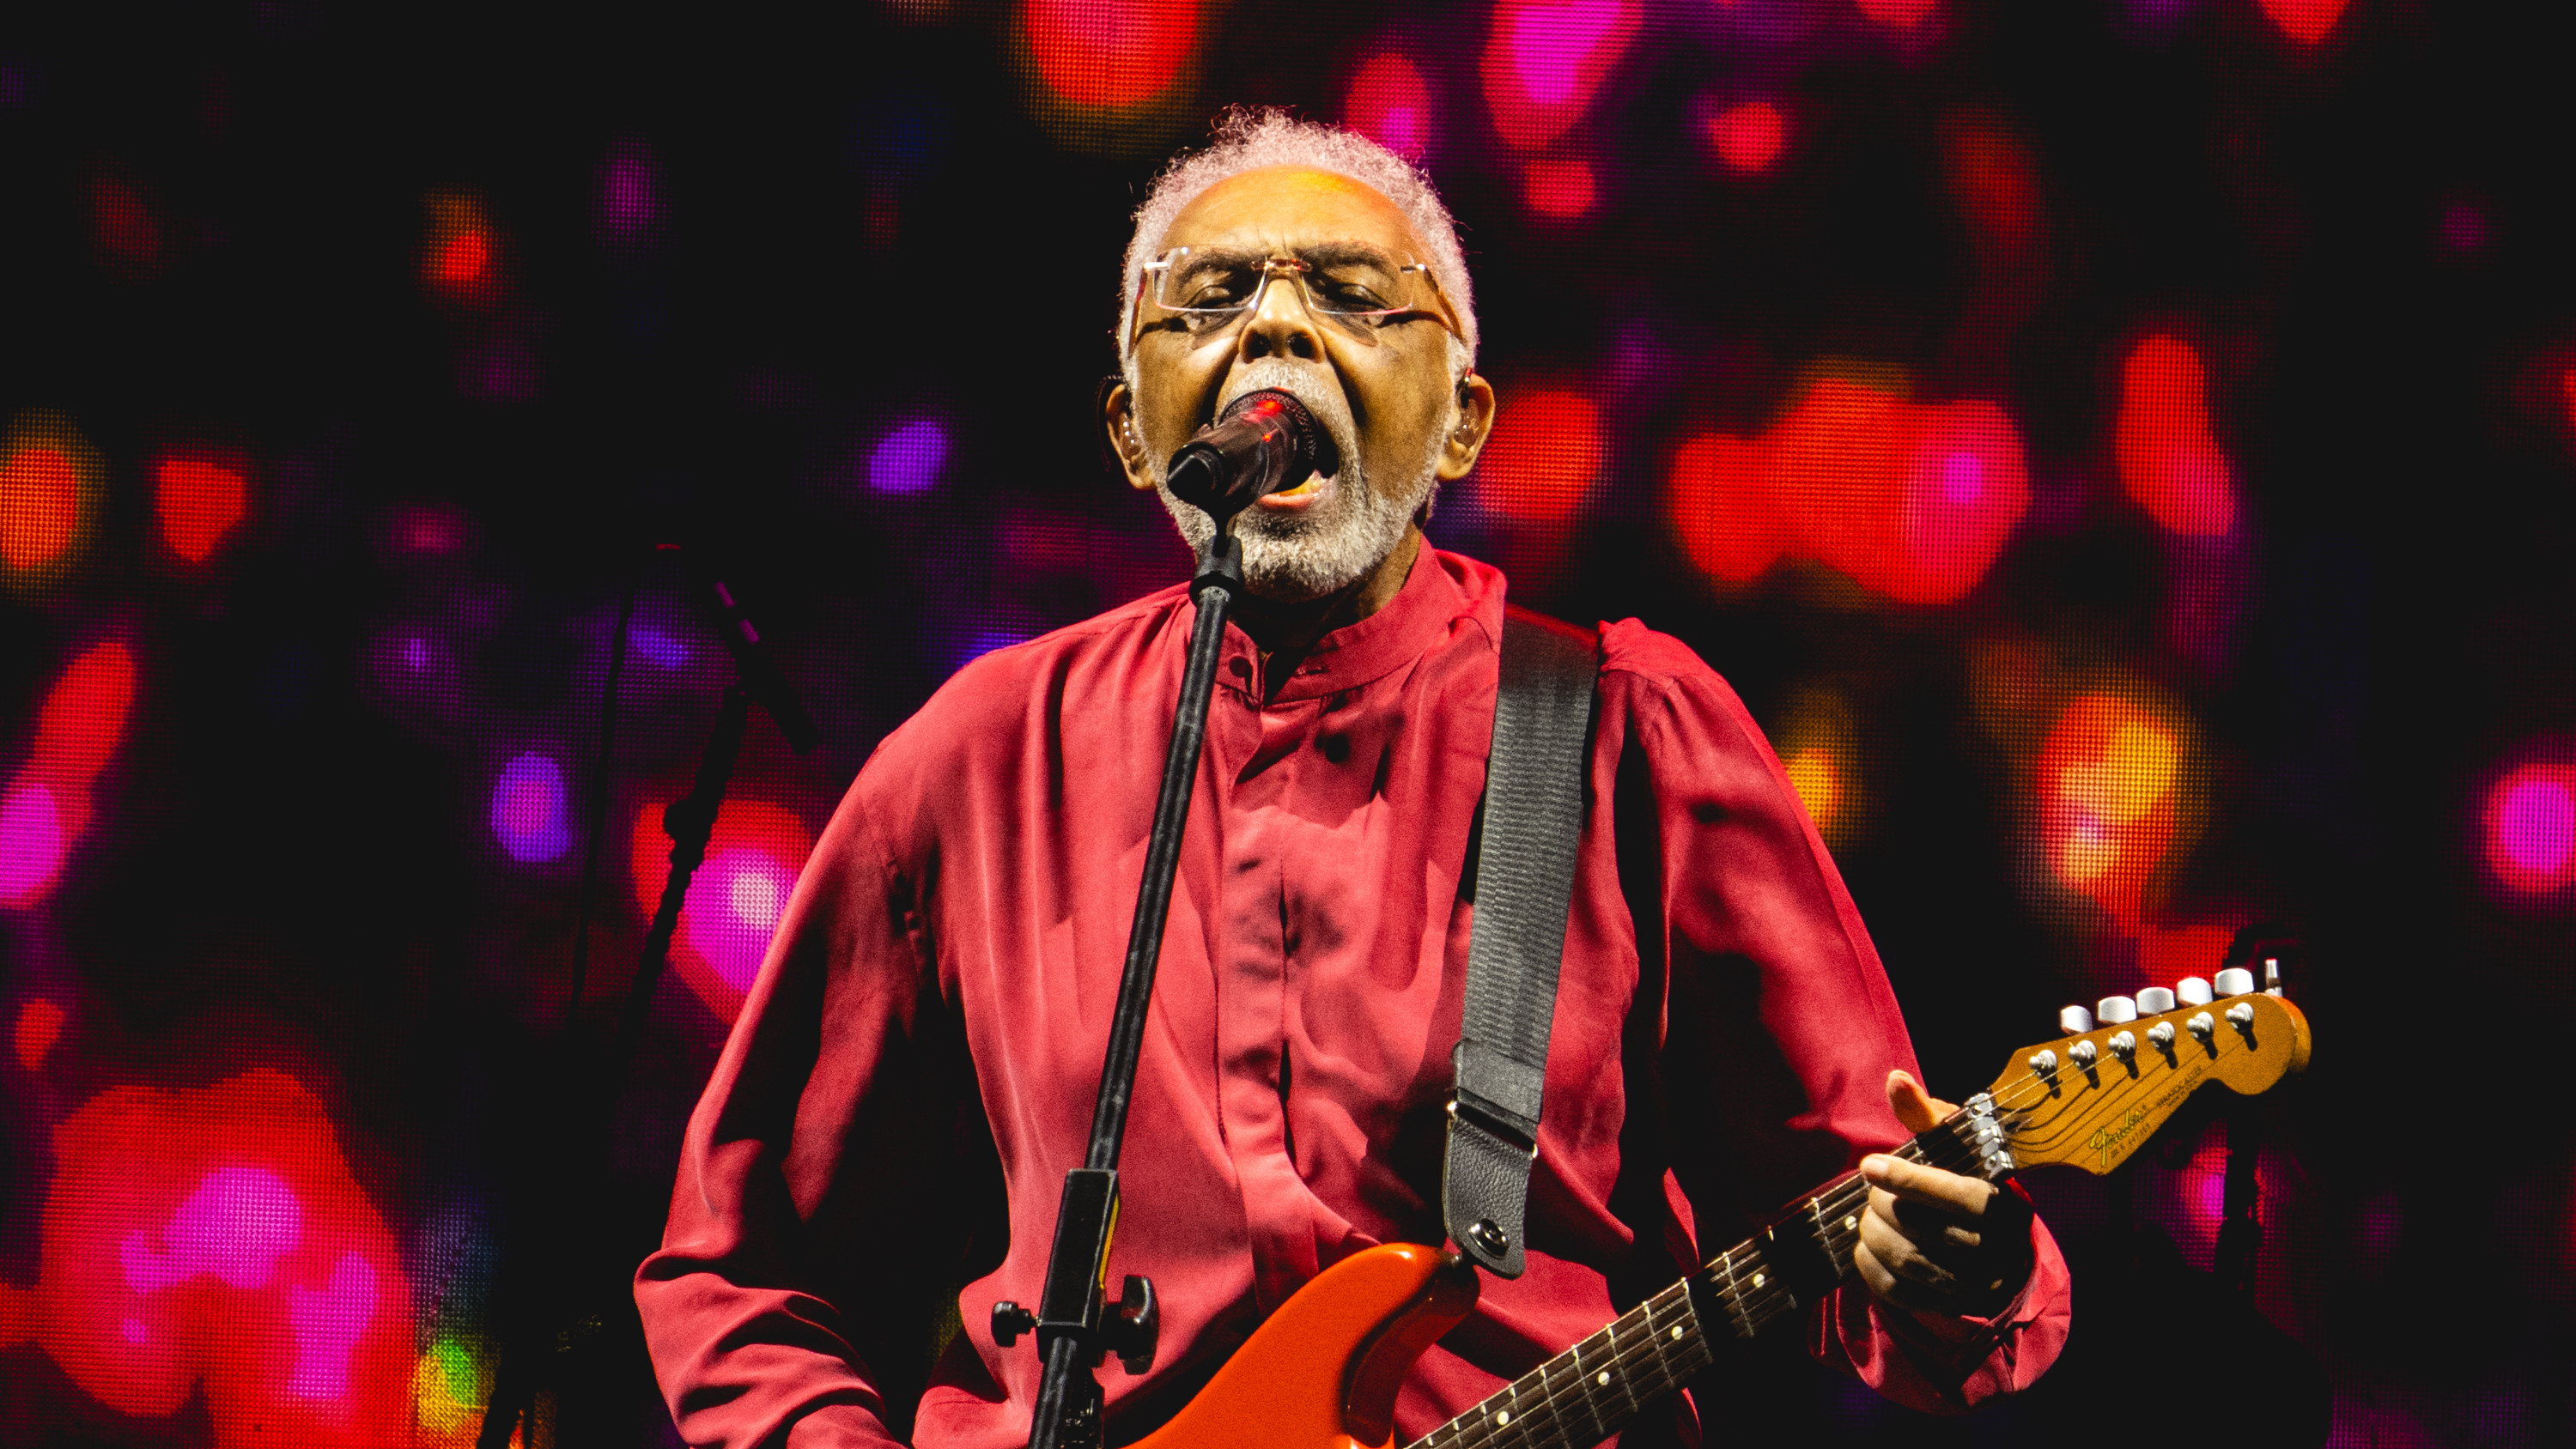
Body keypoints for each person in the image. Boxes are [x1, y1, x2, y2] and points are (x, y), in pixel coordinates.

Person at [635, 111, 2070, 1449]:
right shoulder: (979, 756)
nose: (1272, 325)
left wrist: (1959, 1260)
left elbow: (1888, 1241)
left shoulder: (1625, 728)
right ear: (1135, 430)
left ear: (1461, 421)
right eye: (1208, 302)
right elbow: (742, 1276)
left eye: (1349, 294)